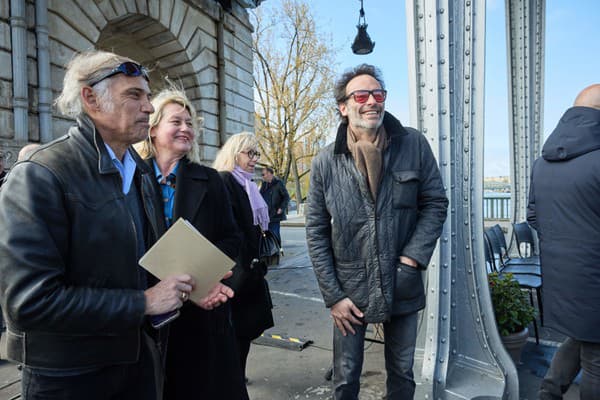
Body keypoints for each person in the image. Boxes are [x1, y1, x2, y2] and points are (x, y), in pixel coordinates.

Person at [0, 50, 231, 400]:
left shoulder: (138, 172)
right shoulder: (41, 174)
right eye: (134, 95)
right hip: (71, 378)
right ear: (90, 98)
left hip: (138, 366)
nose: (149, 107)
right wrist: (143, 302)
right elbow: (28, 302)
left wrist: (189, 286)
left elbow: (142, 265)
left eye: (147, 96)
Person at [305, 64, 448, 400]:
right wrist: (334, 297)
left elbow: (435, 203)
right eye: (361, 95)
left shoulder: (413, 144)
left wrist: (412, 259)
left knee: (402, 372)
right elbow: (315, 231)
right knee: (345, 376)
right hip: (349, 290)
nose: (372, 101)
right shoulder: (326, 161)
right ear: (344, 107)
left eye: (378, 94)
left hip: (402, 281)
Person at [136, 88, 248, 400]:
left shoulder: (210, 179)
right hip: (146, 317)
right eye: (176, 121)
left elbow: (232, 237)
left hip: (200, 315)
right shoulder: (131, 177)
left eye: (190, 122)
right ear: (154, 128)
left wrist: (203, 280)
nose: (186, 128)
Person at [527, 83, 600, 400]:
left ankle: (549, 392)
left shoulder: (542, 163)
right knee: (597, 359)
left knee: (580, 337)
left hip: (562, 276)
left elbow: (533, 216)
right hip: (595, 276)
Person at [213, 132, 275, 383]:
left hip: (249, 271)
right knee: (236, 333)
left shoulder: (248, 185)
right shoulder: (226, 180)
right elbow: (227, 229)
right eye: (249, 153)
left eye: (256, 154)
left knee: (245, 331)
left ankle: (237, 375)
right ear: (234, 153)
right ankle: (233, 380)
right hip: (236, 275)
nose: (254, 159)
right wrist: (245, 264)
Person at [260, 166, 290, 251]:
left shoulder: (278, 183)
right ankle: (271, 250)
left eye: (264, 174)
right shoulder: (264, 184)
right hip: (266, 214)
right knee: (267, 233)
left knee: (275, 232)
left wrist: (281, 208)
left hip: (275, 214)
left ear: (270, 174)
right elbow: (259, 197)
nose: (263, 176)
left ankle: (278, 249)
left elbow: (286, 197)